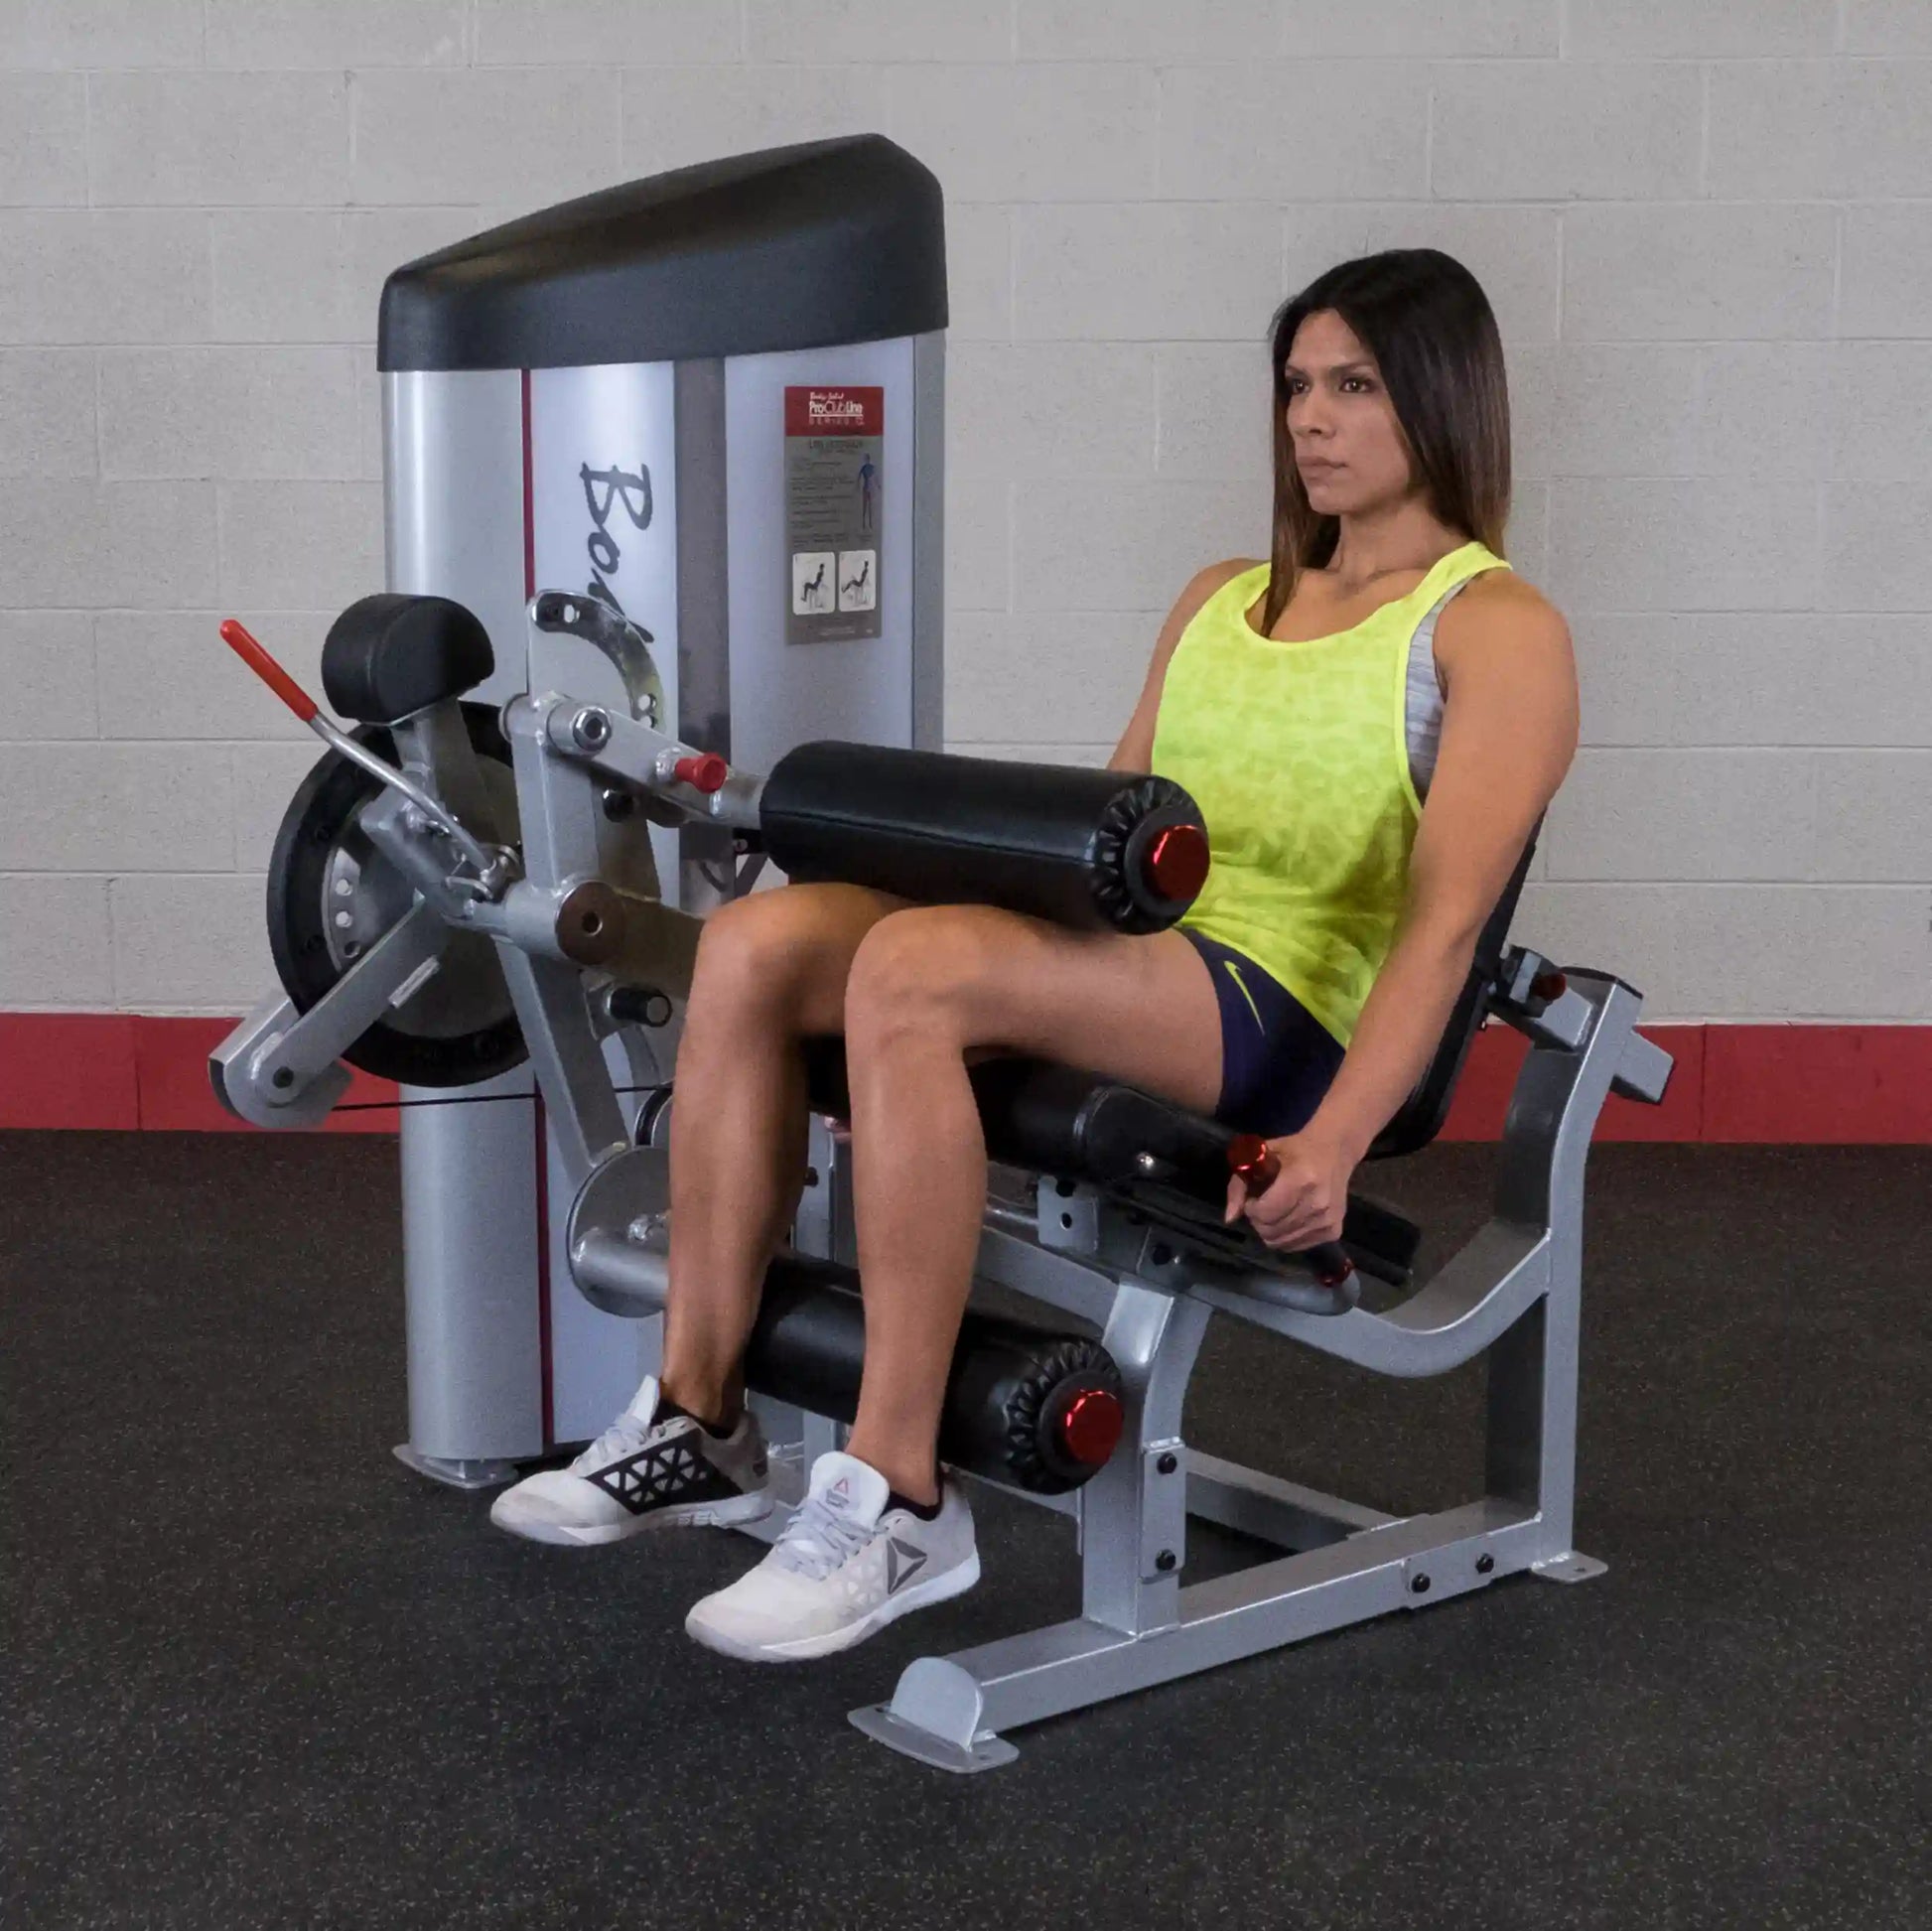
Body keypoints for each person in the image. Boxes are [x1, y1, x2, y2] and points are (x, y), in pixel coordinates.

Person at [488, 248, 1580, 1666]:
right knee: (755, 943)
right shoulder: (1215, 599)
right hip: (1146, 965)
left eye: (1353, 386)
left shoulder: (1494, 627)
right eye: (1297, 384)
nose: (1310, 418)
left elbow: (1438, 927)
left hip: (1283, 1007)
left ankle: (898, 1495)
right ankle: (700, 1417)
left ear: (1437, 398)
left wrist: (1326, 1141)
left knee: (914, 973)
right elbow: (1099, 843)